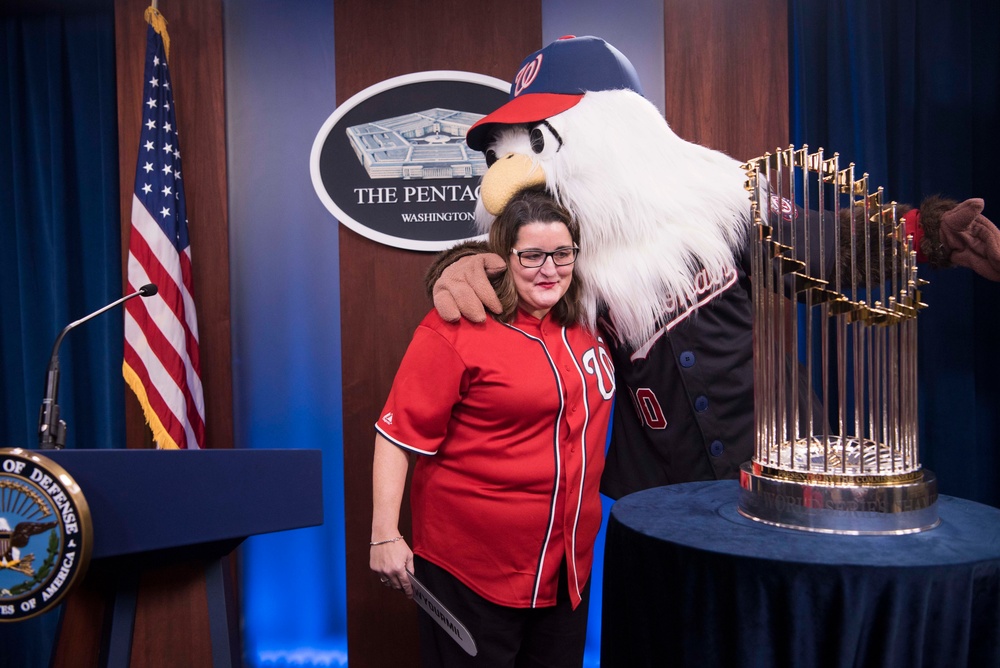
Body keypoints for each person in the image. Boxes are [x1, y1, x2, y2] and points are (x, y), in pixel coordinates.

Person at [428, 35, 1000, 500]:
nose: (517, 168)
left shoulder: (718, 195)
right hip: (660, 492)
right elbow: (494, 283)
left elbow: (821, 244)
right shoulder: (555, 256)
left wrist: (925, 234)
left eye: (535, 140)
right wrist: (456, 266)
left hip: (782, 466)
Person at [370, 188, 615, 668]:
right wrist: (383, 533)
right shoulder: (458, 328)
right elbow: (397, 435)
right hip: (472, 574)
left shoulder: (590, 321)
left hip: (566, 573)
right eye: (532, 256)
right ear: (502, 258)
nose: (550, 269)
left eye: (562, 253)